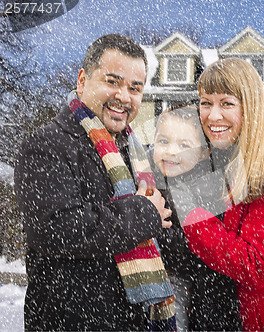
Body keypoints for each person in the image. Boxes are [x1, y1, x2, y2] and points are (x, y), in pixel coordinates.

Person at [15, 34, 176, 331]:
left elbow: (160, 231)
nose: (124, 97)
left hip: (136, 322)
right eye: (112, 82)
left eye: (134, 88)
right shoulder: (47, 144)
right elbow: (55, 230)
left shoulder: (135, 153)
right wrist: (142, 212)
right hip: (74, 322)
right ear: (82, 80)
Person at [178, 57, 264, 331]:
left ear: (250, 107)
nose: (213, 115)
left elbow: (257, 265)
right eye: (206, 102)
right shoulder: (231, 162)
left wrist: (192, 217)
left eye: (226, 103)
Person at [151, 102, 242, 331]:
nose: (171, 151)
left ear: (203, 153)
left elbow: (195, 243)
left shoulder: (207, 189)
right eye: (163, 141)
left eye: (184, 145)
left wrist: (158, 232)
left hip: (190, 282)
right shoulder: (147, 177)